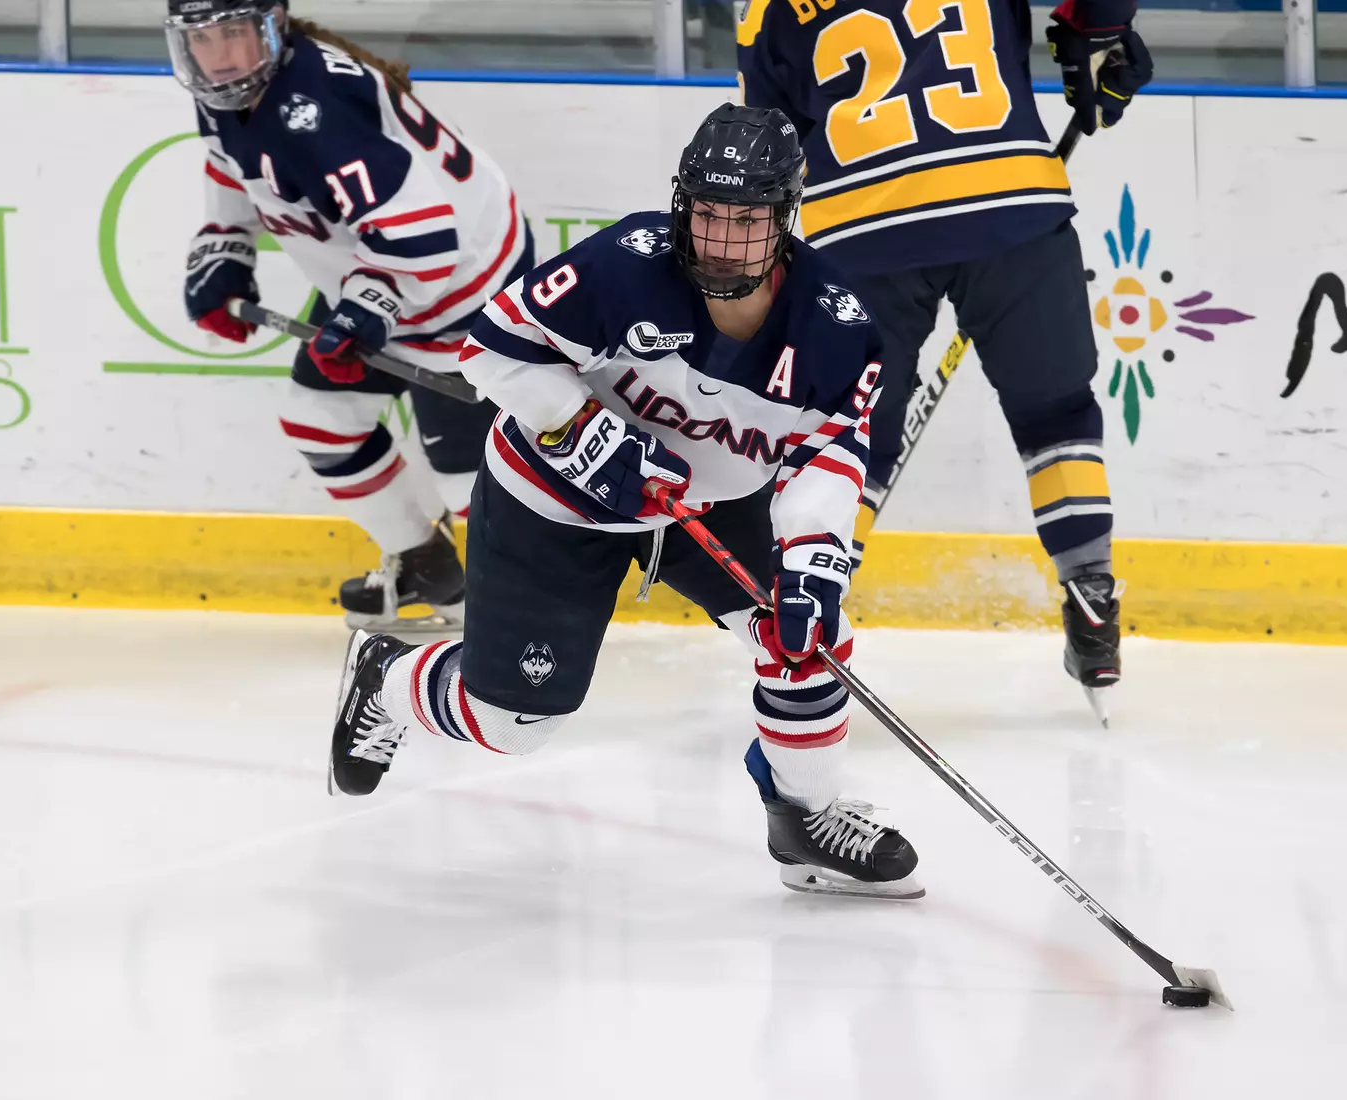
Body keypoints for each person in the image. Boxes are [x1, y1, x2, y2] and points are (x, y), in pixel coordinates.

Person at [327, 104, 922, 900]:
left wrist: (814, 562)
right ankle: (391, 679)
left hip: (705, 505)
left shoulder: (834, 329)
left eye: (746, 221)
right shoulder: (627, 263)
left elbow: (829, 454)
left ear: (785, 218)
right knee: (514, 725)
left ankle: (805, 818)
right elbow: (492, 350)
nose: (720, 240)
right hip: (553, 501)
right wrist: (581, 429)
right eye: (707, 214)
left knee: (809, 636)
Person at [737, 0, 1153, 715]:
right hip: (1011, 206)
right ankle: (1090, 592)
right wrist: (1101, 35)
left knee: (851, 433)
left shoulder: (765, 10)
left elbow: (766, 148)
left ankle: (811, 615)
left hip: (860, 231)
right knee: (1055, 414)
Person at [165, 0, 536, 628]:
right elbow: (234, 166)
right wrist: (225, 252)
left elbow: (421, 235)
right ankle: (427, 565)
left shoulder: (315, 111)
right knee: (319, 418)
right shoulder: (230, 92)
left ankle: (530, 611)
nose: (221, 56)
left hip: (466, 290)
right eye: (203, 39)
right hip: (379, 268)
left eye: (234, 33)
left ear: (273, 25)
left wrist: (364, 313)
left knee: (468, 480)